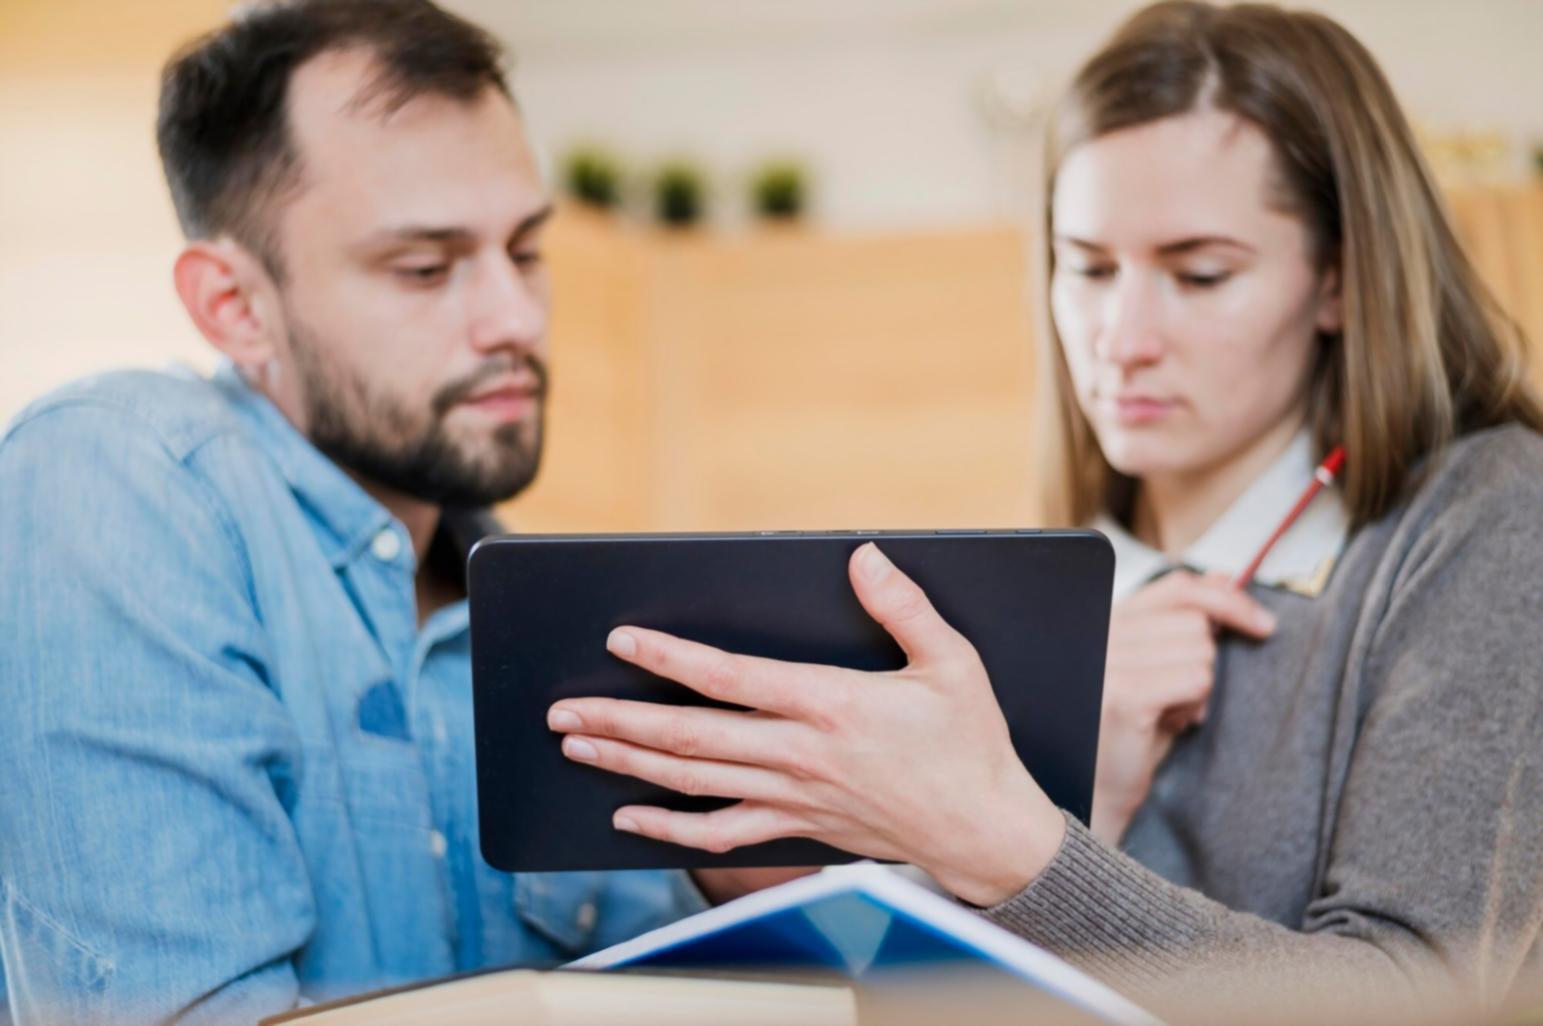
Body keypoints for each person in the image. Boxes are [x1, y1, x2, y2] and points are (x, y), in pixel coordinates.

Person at [542, 1, 1543, 1017]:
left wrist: (1012, 839)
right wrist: (782, 876)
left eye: (1200, 274)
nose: (1122, 337)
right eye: (1088, 268)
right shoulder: (1023, 592)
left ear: (1338, 280)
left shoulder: (1483, 518)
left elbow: (1424, 1004)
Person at [0, 2, 770, 1023]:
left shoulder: (551, 607)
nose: (517, 319)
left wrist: (775, 899)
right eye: (425, 267)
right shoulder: (114, 476)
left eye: (526, 250)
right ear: (235, 307)